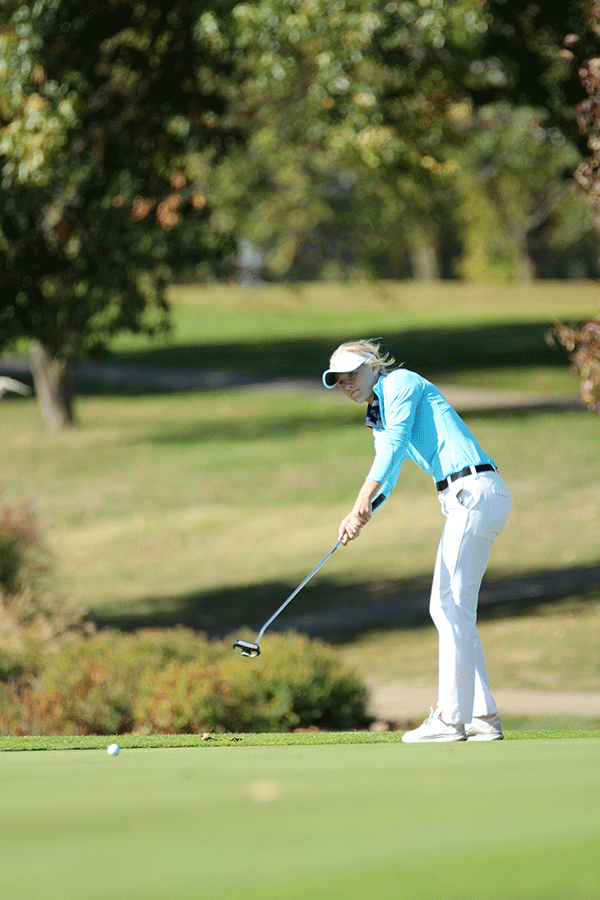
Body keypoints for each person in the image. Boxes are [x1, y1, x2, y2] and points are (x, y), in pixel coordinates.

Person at [322, 339, 511, 742]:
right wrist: (361, 514)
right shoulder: (379, 414)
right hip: (466, 497)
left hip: (473, 491)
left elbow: (392, 448)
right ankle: (483, 715)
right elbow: (387, 475)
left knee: (447, 606)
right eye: (340, 381)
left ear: (373, 367)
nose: (348, 384)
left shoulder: (401, 384)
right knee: (454, 609)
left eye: (353, 374)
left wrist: (359, 501)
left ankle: (449, 718)